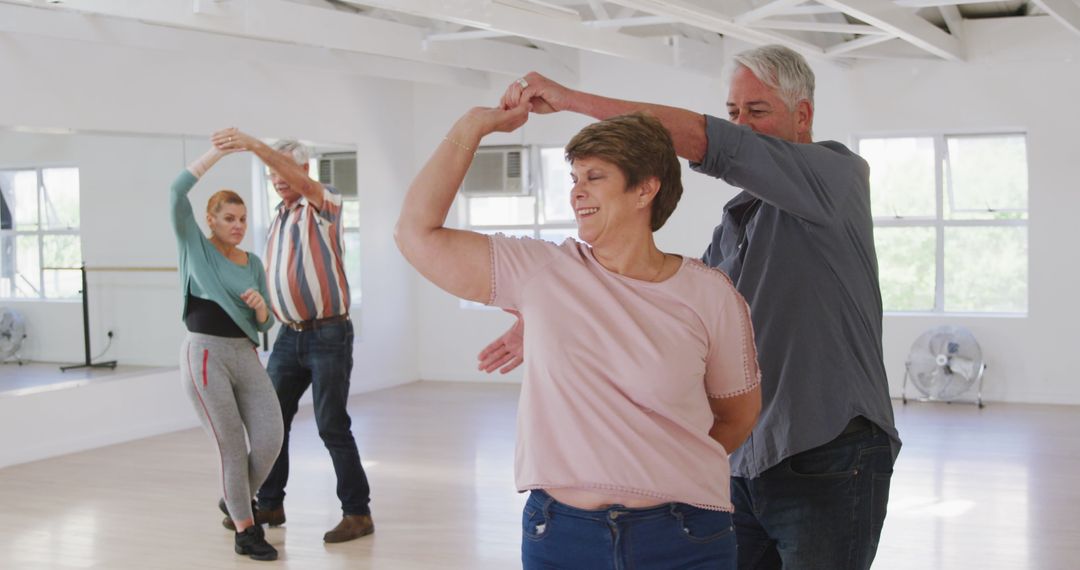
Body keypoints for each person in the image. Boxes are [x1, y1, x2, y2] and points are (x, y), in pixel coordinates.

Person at [489, 44, 901, 570]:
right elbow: (660, 299)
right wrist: (544, 312)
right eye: (734, 112)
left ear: (803, 116)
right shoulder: (733, 224)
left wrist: (572, 100)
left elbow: (710, 143)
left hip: (830, 456)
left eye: (758, 111)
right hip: (744, 462)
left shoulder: (837, 177)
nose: (742, 125)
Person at [396, 103, 762, 568]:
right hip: (561, 536)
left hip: (684, 537)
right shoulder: (542, 271)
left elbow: (737, 415)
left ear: (645, 188)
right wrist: (474, 125)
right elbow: (416, 233)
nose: (576, 192)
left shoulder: (710, 294)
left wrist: (661, 462)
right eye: (574, 178)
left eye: (594, 177)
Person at [212, 129, 374, 543]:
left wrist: (253, 145)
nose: (278, 178)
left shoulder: (325, 202)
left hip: (329, 334)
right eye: (271, 172)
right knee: (271, 423)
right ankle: (271, 502)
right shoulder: (279, 218)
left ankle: (357, 513)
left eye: (284, 169)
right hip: (288, 336)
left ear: (303, 170)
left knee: (331, 425)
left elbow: (303, 185)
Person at [170, 144, 283, 562]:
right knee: (231, 447)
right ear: (210, 220)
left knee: (271, 437)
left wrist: (260, 309)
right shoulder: (194, 247)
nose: (237, 226)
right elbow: (174, 193)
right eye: (229, 219)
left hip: (245, 354)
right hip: (204, 354)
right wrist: (214, 156)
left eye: (242, 219)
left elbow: (265, 324)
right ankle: (245, 531)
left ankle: (234, 498)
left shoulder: (252, 261)